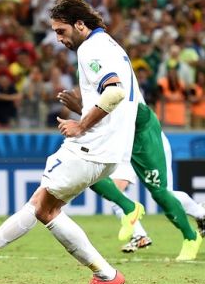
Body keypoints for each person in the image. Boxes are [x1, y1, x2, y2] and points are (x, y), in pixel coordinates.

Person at [0, 0, 139, 284]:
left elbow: (115, 92)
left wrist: (81, 124)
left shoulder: (91, 48)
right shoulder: (109, 45)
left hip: (92, 145)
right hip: (111, 148)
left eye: (62, 31)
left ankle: (105, 274)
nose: (58, 39)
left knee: (43, 208)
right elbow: (110, 97)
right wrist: (82, 106)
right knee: (43, 205)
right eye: (55, 32)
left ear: (80, 24)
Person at [59, 90, 205, 253]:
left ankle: (200, 213)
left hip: (144, 139)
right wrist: (81, 109)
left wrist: (80, 109)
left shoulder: (114, 77)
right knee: (113, 189)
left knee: (164, 195)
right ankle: (139, 235)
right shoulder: (94, 84)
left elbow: (118, 115)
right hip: (122, 143)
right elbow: (105, 118)